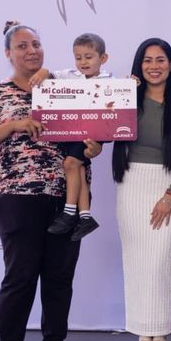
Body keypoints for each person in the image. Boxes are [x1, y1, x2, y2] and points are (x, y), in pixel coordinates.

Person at [0, 21, 102, 341]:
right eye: (22, 45)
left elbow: (95, 125)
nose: (31, 50)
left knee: (59, 278)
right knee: (21, 276)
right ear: (8, 53)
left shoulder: (65, 87)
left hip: (66, 196)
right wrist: (12, 126)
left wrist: (95, 146)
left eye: (36, 44)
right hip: (17, 196)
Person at [111, 38, 171, 341]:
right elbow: (93, 109)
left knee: (159, 260)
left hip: (167, 187)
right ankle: (142, 338)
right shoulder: (126, 98)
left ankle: (159, 337)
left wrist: (170, 195)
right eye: (147, 60)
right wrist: (121, 92)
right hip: (131, 185)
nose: (154, 66)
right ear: (139, 65)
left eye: (160, 60)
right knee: (137, 263)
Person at [29, 32, 112, 241]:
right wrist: (43, 72)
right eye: (78, 57)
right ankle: (85, 217)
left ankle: (68, 212)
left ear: (103, 59)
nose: (83, 62)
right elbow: (51, 75)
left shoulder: (109, 80)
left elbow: (121, 98)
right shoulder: (70, 75)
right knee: (79, 168)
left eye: (89, 56)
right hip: (74, 129)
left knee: (69, 164)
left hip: (92, 132)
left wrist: (133, 84)